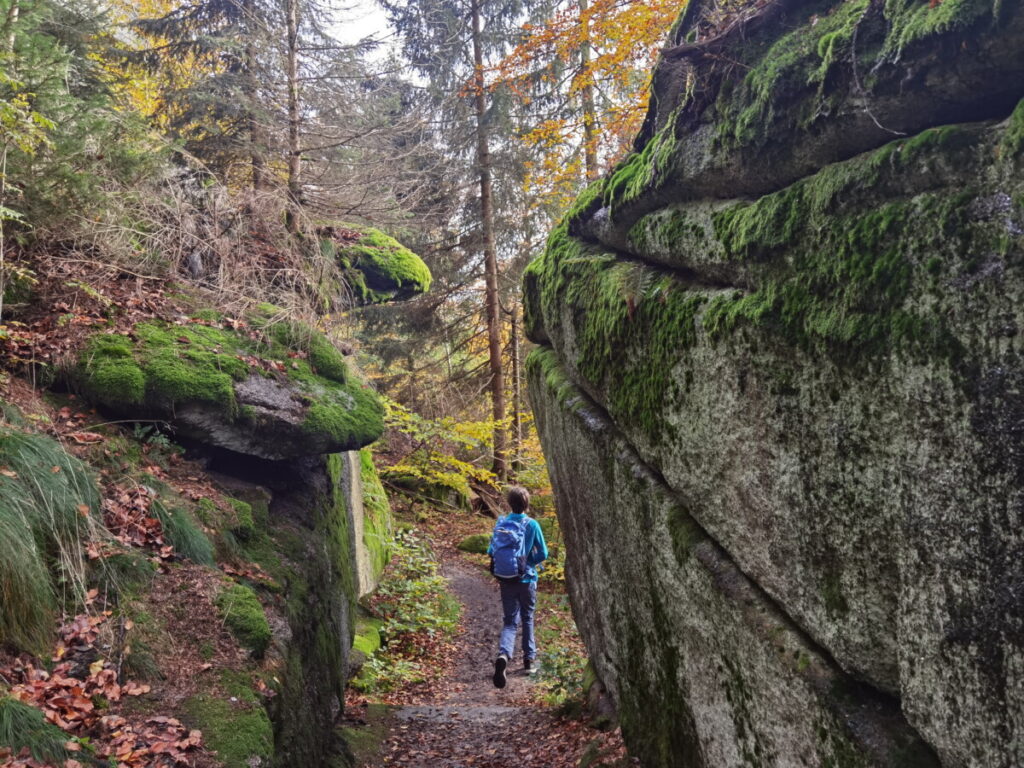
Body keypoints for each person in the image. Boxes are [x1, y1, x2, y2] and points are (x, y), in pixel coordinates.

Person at [489, 485, 548, 689]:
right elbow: (543, 553)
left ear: (509, 503)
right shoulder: (532, 524)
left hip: (506, 579)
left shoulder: (501, 522)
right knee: (527, 617)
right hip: (527, 579)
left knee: (509, 622)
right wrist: (528, 563)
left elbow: (491, 549)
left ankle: (504, 655)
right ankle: (529, 661)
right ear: (527, 503)